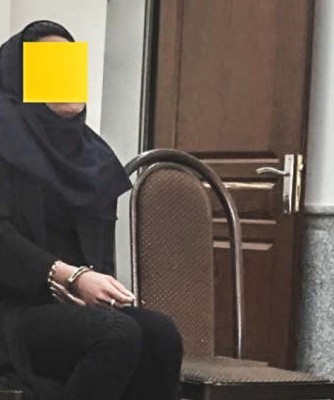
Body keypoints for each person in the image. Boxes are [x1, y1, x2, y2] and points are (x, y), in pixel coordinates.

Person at [0, 20, 182, 400]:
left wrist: (94, 290)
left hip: (70, 309)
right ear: (21, 78)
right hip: (12, 312)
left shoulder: (93, 157)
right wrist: (68, 275)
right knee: (116, 334)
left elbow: (99, 259)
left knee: (161, 334)